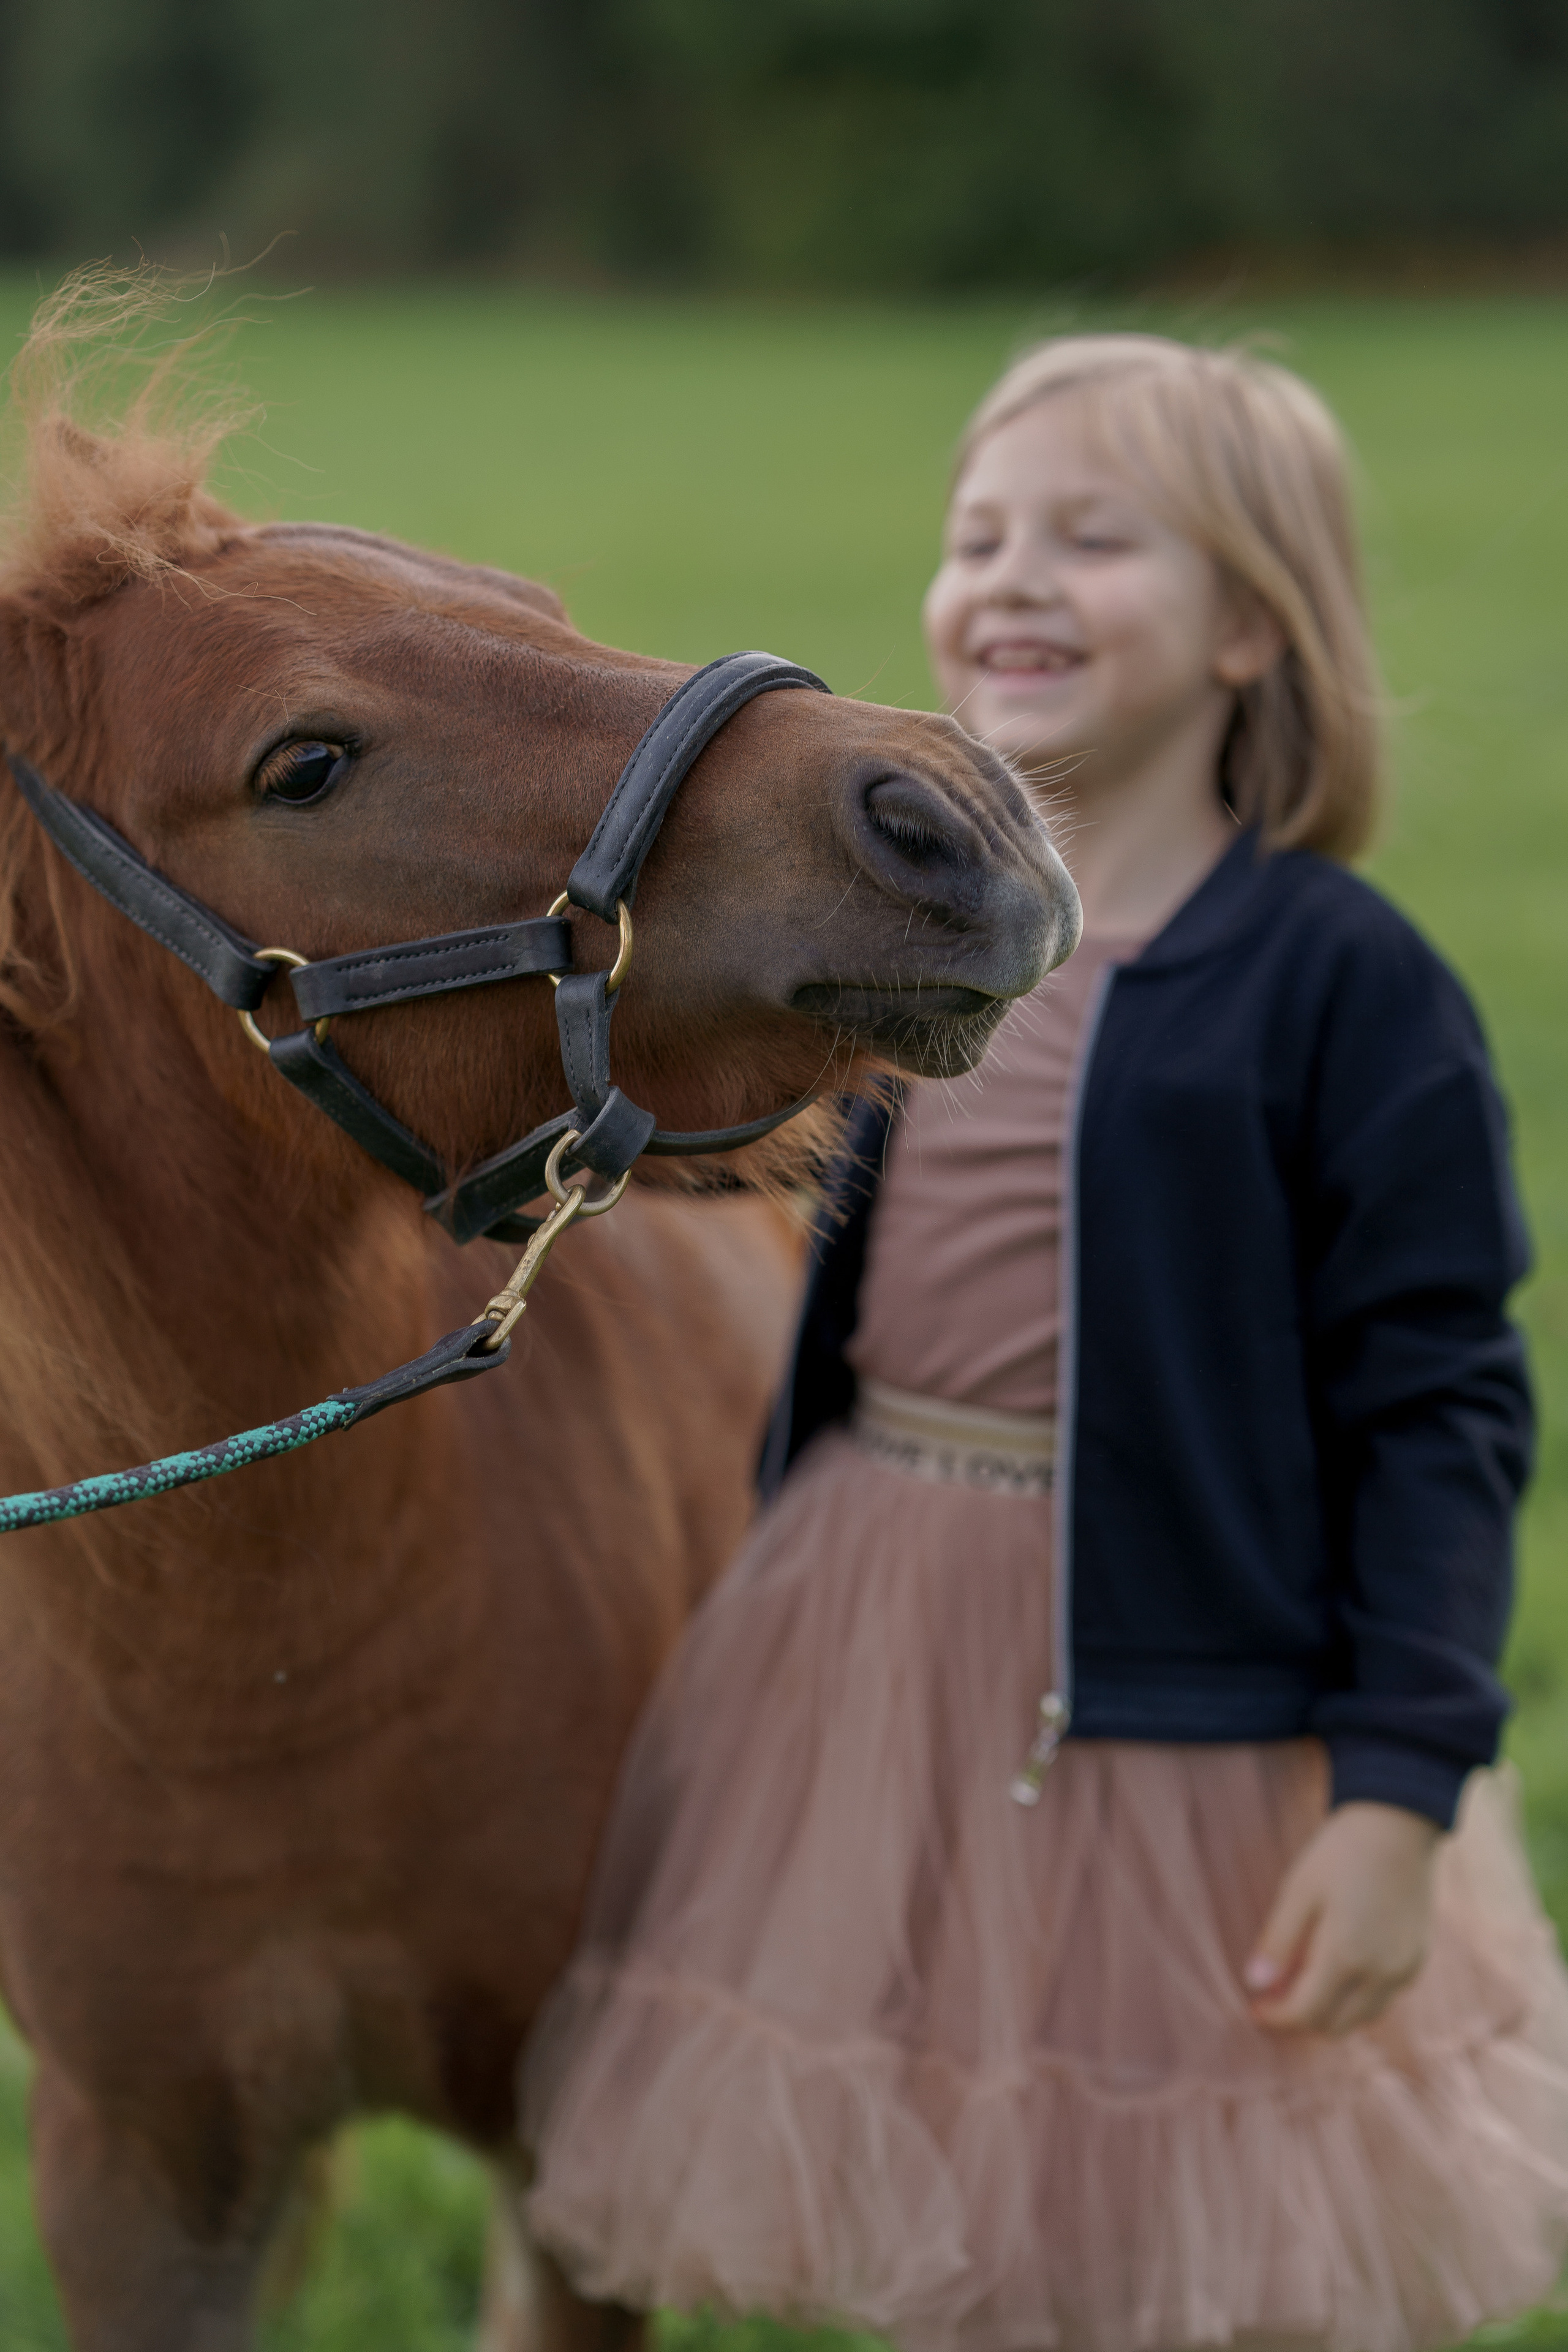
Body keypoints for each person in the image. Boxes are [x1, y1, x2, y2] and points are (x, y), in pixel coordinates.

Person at [522, 336, 1568, 2352]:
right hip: (878, 1621)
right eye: (979, 532)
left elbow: (1441, 1397)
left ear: (1255, 626)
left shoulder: (1340, 984)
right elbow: (756, 1180)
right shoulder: (884, 944)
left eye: (1093, 540)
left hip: (1191, 1690)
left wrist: (1402, 1781)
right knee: (954, 2181)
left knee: (1167, 2197)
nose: (1009, 576)